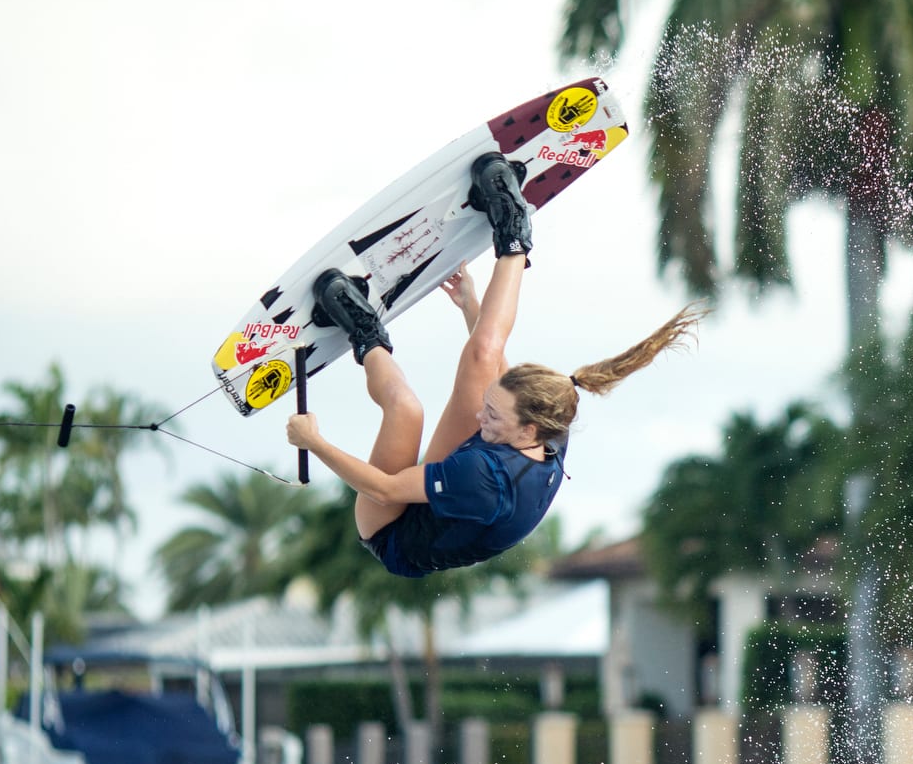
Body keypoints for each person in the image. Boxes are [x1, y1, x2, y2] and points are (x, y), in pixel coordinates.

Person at [285, 153, 702, 578]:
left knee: (406, 410)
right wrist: (471, 306)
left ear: (527, 432)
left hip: (395, 532)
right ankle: (514, 230)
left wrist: (313, 442)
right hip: (470, 476)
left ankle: (364, 331)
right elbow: (497, 368)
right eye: (489, 405)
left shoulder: (483, 478)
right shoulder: (552, 418)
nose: (479, 415)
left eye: (493, 415)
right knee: (484, 352)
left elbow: (385, 489)